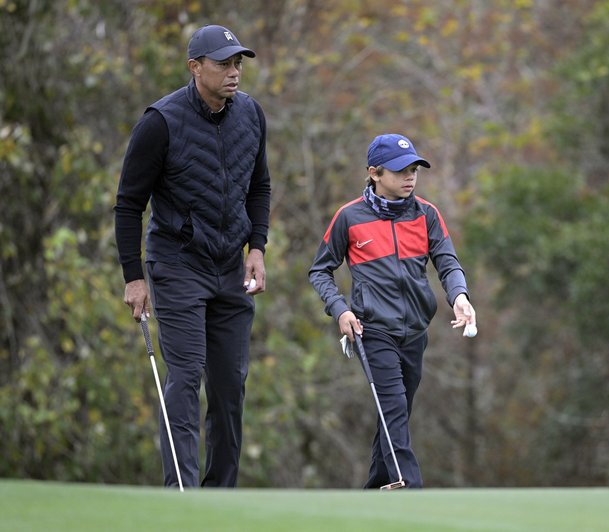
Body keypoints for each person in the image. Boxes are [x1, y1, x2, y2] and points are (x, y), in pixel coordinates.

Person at [114, 24, 271, 488]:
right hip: (178, 263)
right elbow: (128, 203)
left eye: (238, 62)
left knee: (229, 388)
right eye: (223, 63)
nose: (234, 71)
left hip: (229, 268)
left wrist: (257, 246)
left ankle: (219, 496)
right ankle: (181, 496)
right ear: (195, 67)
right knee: (185, 378)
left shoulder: (251, 115)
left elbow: (258, 185)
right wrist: (133, 276)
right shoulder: (160, 122)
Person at [308, 133, 477, 489]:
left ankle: (373, 493)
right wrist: (340, 310)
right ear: (374, 173)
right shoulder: (349, 217)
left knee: (394, 415)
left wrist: (459, 296)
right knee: (394, 409)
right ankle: (409, 490)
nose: (409, 177)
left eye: (413, 169)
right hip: (372, 330)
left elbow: (447, 262)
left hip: (415, 331)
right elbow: (320, 270)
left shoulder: (427, 214)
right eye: (400, 171)